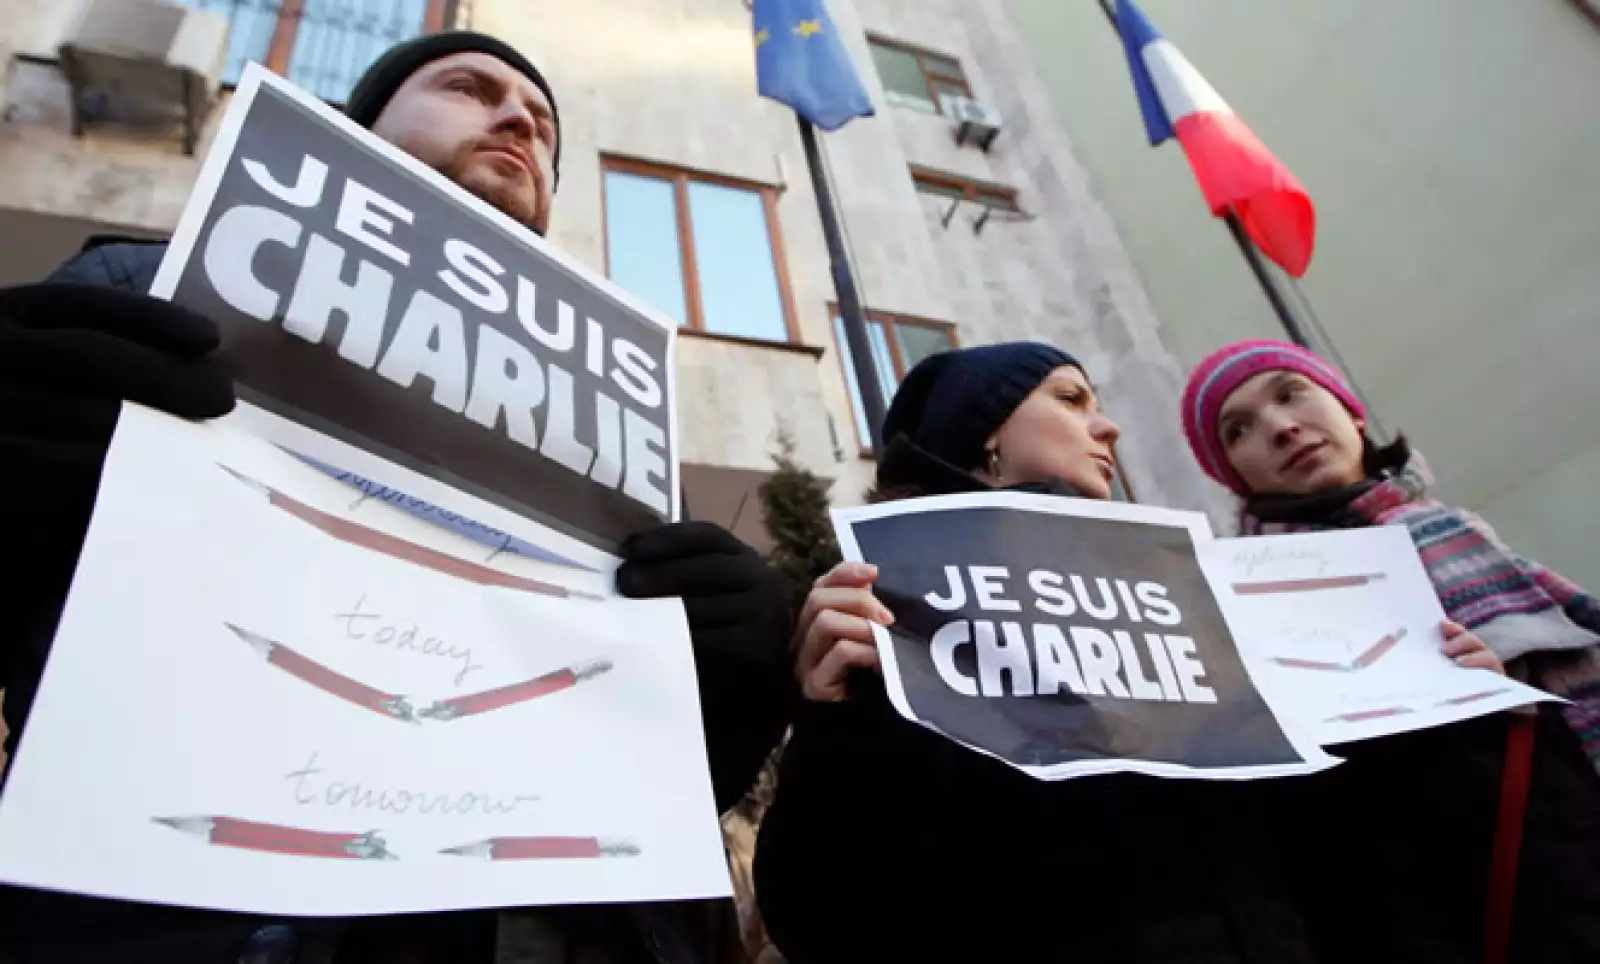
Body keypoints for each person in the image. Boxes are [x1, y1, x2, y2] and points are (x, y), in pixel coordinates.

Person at [0, 31, 791, 964]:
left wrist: (737, 679)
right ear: (360, 124)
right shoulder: (150, 293)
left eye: (542, 127)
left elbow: (640, 783)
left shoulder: (619, 436)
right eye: (470, 87)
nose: (518, 123)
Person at [756, 342, 1325, 963]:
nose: (1108, 428)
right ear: (987, 439)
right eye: (1070, 399)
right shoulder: (893, 616)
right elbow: (828, 922)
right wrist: (835, 728)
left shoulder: (1180, 594)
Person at [1178, 339, 1600, 961]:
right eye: (1238, 429)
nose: (1281, 427)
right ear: (1234, 474)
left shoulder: (1452, 531)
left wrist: (1507, 682)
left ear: (1349, 409)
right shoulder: (1245, 603)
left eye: (1290, 393)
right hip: (1439, 899)